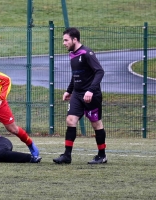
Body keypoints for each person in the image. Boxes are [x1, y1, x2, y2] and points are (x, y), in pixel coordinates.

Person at [53, 27, 107, 165]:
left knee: (96, 124)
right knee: (70, 120)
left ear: (74, 39)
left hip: (91, 95)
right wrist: (69, 90)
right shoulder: (72, 54)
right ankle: (67, 156)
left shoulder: (87, 53)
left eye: (66, 40)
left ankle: (102, 155)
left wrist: (91, 90)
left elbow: (100, 72)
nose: (64, 43)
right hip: (77, 94)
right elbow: (76, 74)